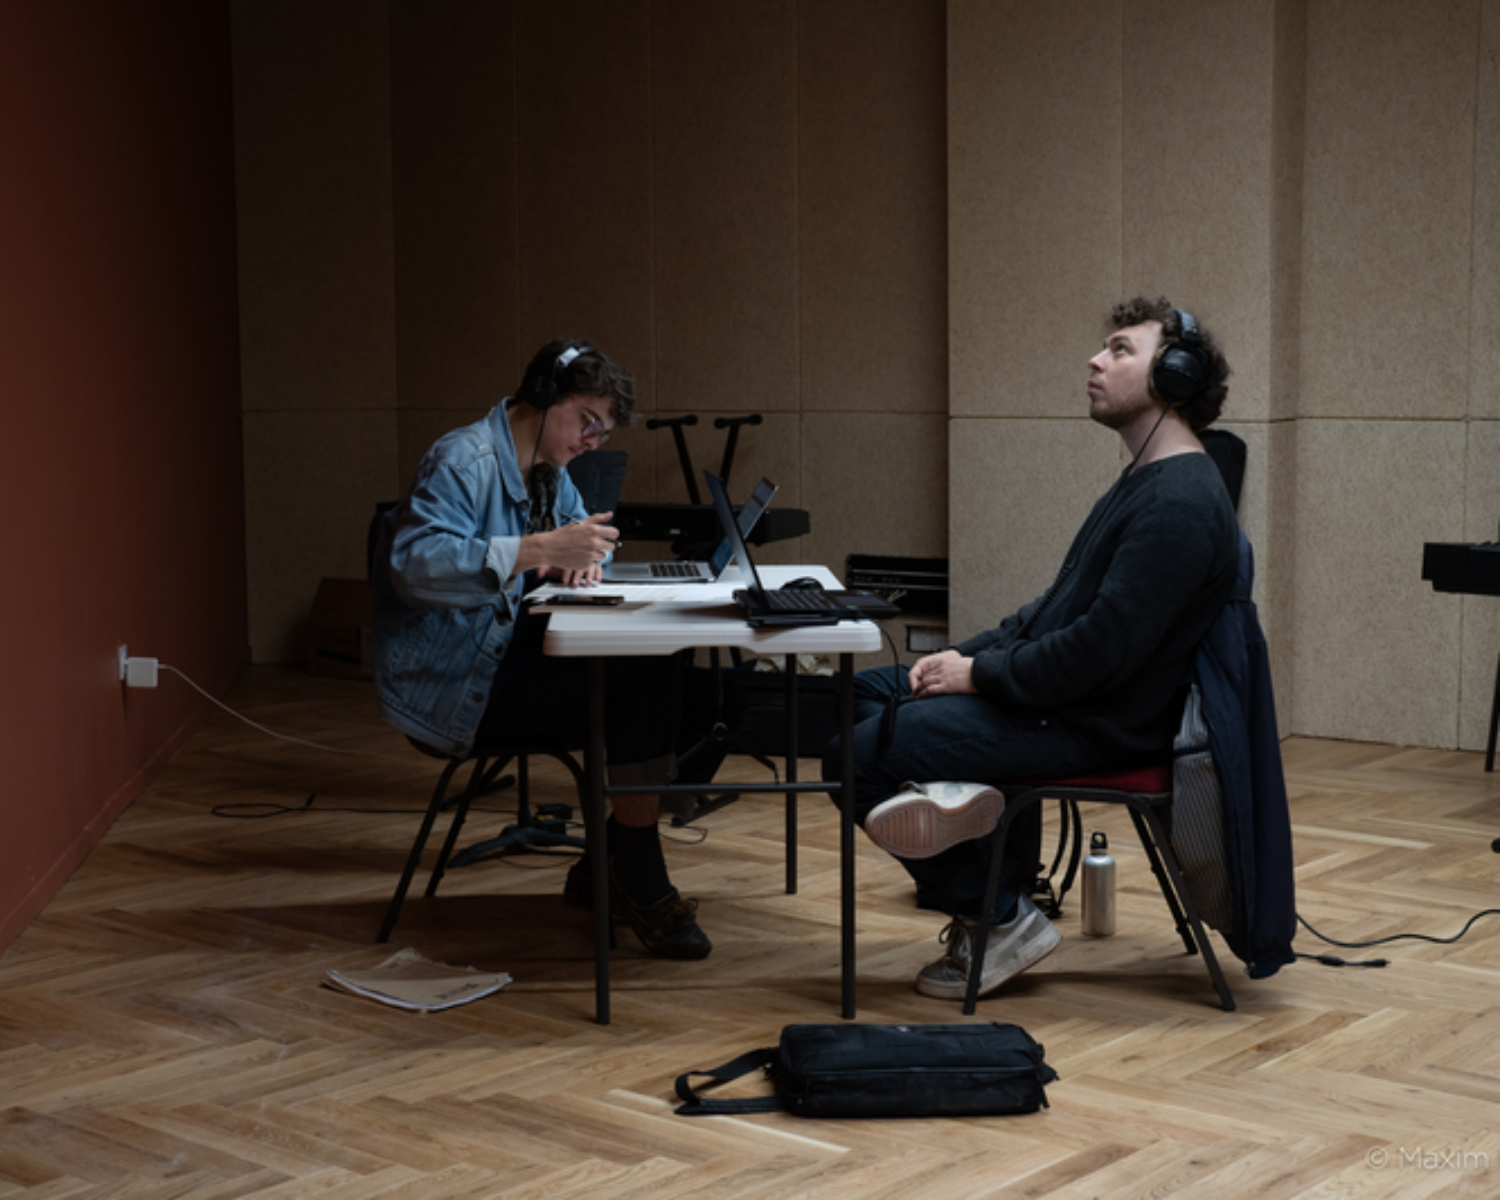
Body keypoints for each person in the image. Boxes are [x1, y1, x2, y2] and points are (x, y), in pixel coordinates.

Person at [824, 297, 1240, 1001]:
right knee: (866, 693)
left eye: (1120, 349)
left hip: (1094, 721)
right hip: (1069, 700)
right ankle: (979, 836)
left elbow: (1095, 654)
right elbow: (1050, 612)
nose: (1095, 360)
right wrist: (960, 659)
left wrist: (979, 676)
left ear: (1174, 376)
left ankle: (1000, 916)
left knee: (852, 758)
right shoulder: (1148, 480)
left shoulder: (1179, 503)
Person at [371, 338, 711, 960]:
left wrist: (582, 558)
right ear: (544, 395)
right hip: (455, 682)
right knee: (650, 681)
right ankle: (635, 872)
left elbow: (580, 541)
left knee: (701, 692)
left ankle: (609, 861)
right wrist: (541, 552)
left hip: (500, 651)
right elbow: (413, 566)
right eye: (587, 422)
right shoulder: (463, 459)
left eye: (602, 432)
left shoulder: (550, 473)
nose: (592, 442)